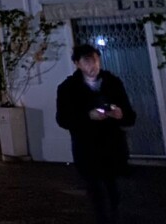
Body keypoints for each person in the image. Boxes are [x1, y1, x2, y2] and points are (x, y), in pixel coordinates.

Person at [56, 44, 136, 224]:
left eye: (95, 60)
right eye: (87, 61)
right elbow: (63, 119)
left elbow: (130, 116)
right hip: (87, 148)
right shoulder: (68, 88)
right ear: (77, 63)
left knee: (115, 189)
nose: (93, 65)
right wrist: (87, 116)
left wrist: (120, 114)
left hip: (113, 147)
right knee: (95, 191)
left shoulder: (112, 83)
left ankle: (116, 216)